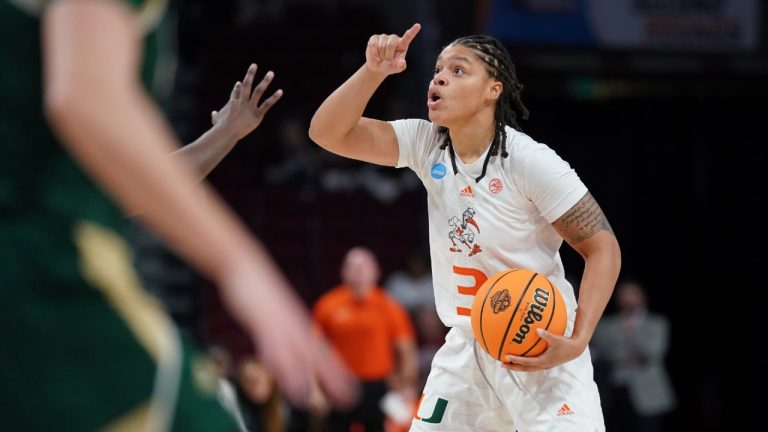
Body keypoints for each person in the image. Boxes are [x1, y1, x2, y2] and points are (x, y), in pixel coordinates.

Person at [0, 0, 357, 430]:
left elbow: (118, 181)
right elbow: (85, 99)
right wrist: (242, 267)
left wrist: (223, 135)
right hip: (45, 273)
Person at [308, 23, 621, 431]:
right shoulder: (426, 143)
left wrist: (578, 339)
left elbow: (603, 248)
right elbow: (326, 133)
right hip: (468, 345)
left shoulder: (529, 161)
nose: (439, 77)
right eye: (438, 69)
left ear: (494, 89)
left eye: (458, 70)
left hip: (538, 341)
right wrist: (373, 71)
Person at [312, 246, 419, 432]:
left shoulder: (391, 307)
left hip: (378, 387)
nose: (359, 273)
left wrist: (405, 385)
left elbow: (406, 350)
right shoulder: (327, 305)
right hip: (341, 385)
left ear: (375, 271)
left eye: (364, 267)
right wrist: (316, 390)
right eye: (354, 267)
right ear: (344, 271)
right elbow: (314, 351)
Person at [590, 278, 677, 432]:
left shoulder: (656, 323)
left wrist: (631, 332)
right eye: (624, 294)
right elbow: (601, 351)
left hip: (647, 393)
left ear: (642, 296)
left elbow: (651, 353)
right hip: (614, 392)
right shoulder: (607, 325)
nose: (628, 298)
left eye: (632, 294)